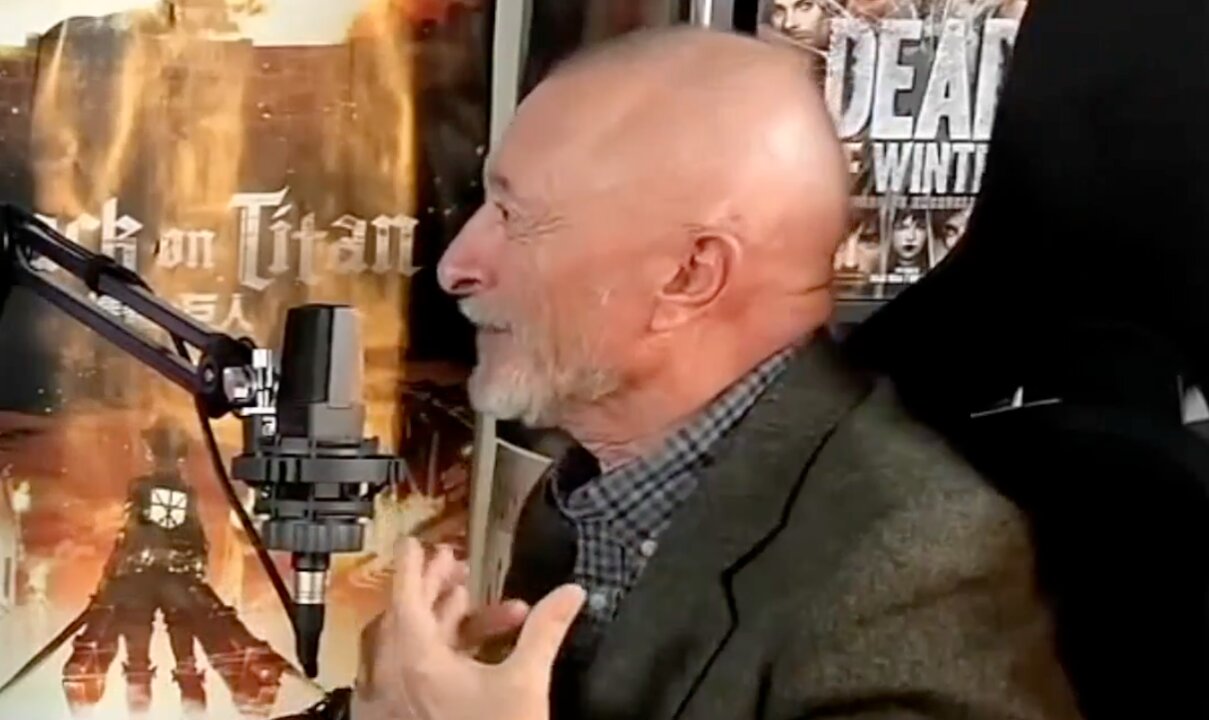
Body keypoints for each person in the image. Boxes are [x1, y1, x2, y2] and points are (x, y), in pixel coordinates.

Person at [353, 26, 1081, 720]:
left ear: (689, 275)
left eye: (516, 217)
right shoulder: (586, 501)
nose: (457, 266)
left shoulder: (914, 562)